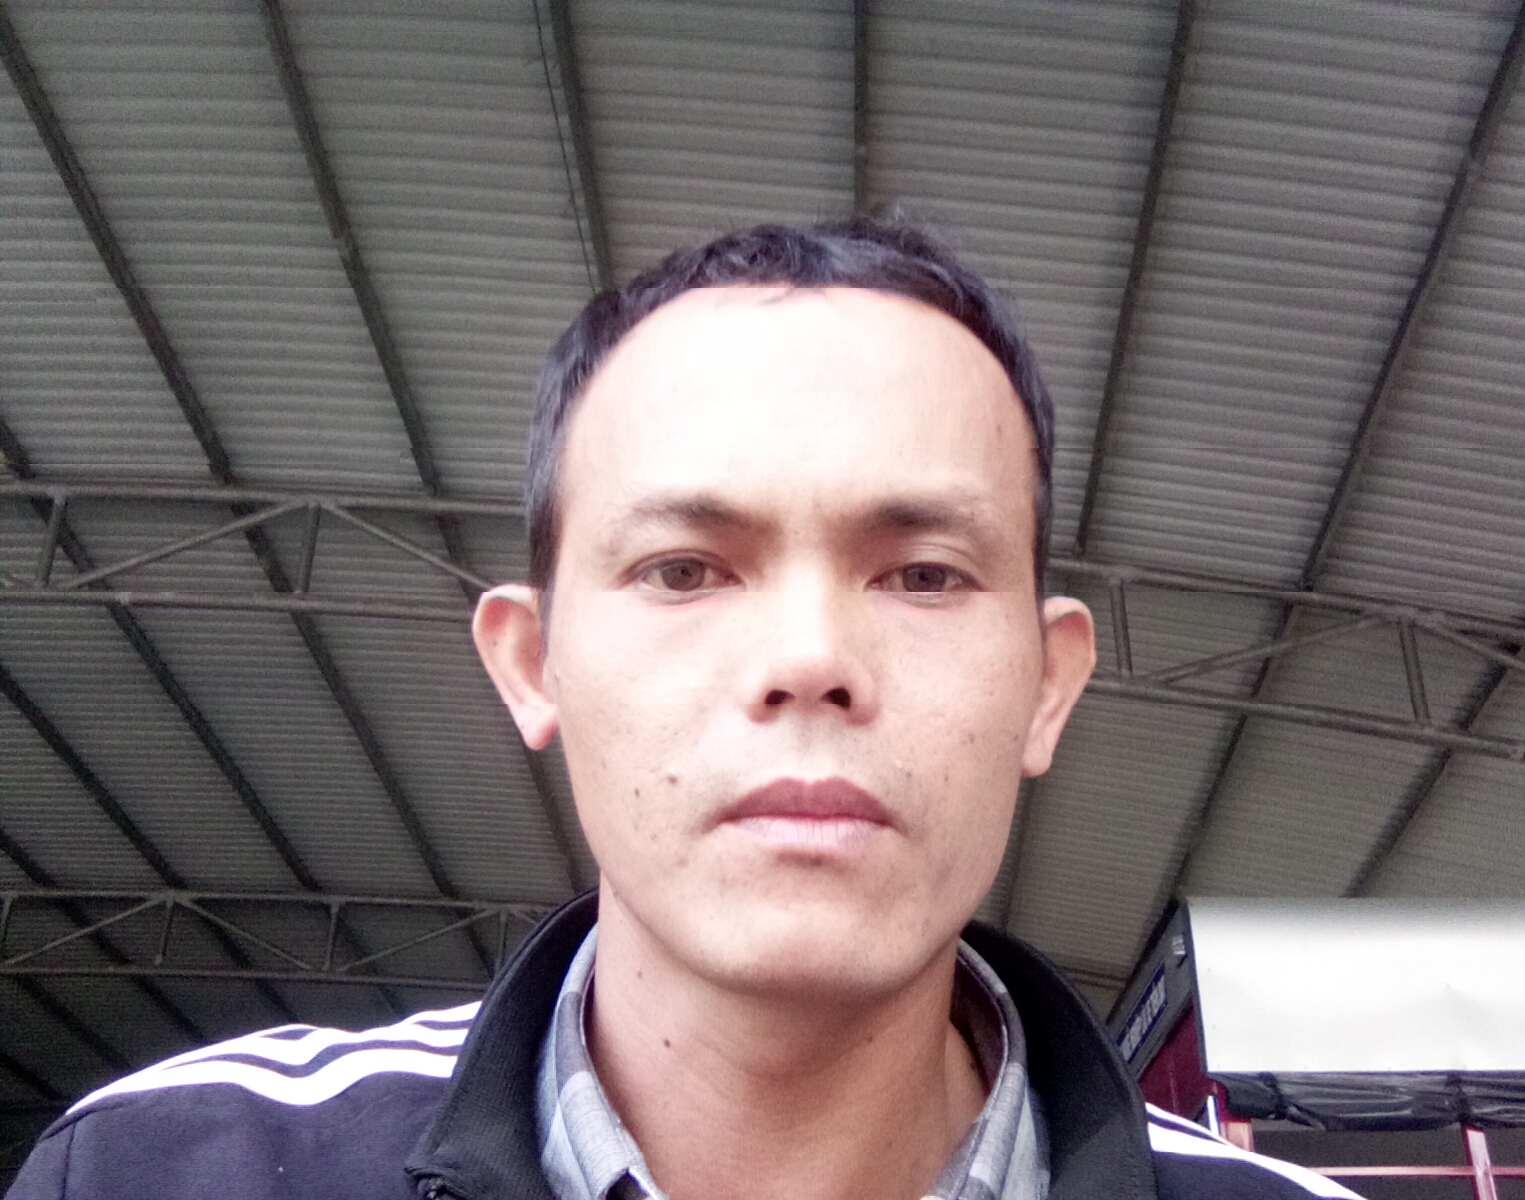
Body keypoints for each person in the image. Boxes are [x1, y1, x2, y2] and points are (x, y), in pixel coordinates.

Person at [7, 218, 1358, 1200]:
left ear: (1048, 685)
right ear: (532, 662)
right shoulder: (164, 1171)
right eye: (683, 570)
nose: (810, 658)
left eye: (926, 575)